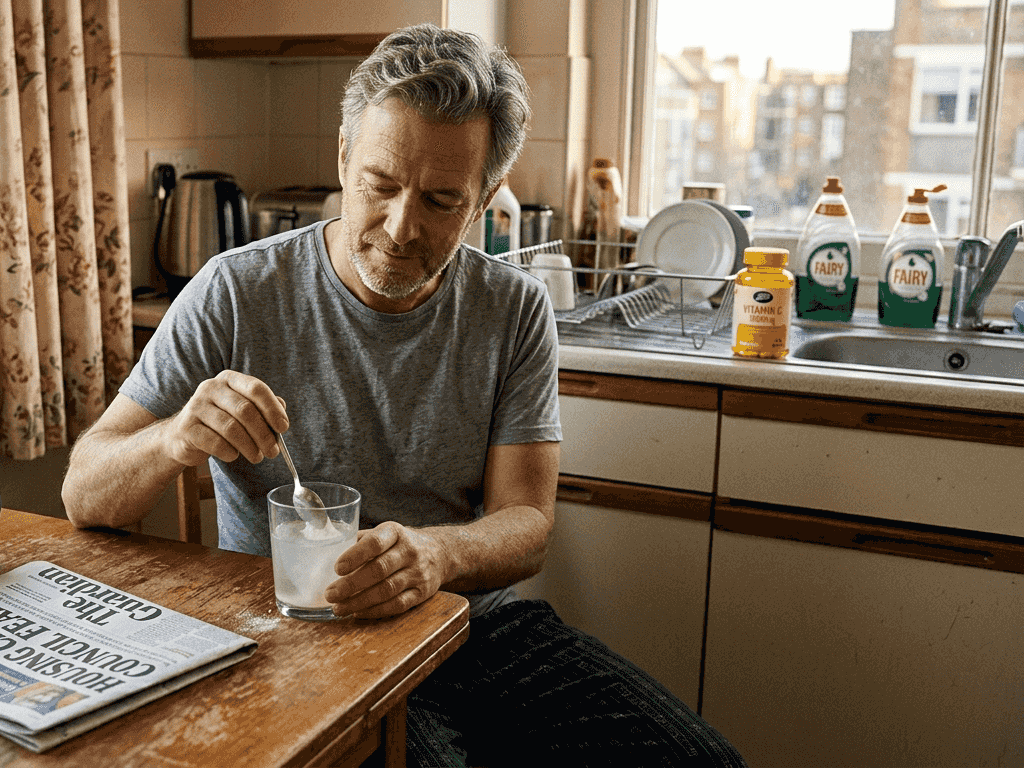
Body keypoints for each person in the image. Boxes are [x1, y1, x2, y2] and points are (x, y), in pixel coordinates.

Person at [62, 23, 745, 767]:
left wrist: (436, 554)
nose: (399, 227)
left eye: (441, 200)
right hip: (300, 639)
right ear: (344, 161)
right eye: (379, 187)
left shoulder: (512, 309)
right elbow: (85, 496)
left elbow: (528, 524)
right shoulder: (235, 290)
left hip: (470, 629)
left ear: (484, 199)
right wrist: (173, 439)